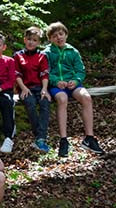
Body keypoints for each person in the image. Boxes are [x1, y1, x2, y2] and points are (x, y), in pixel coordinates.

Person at [43, 21, 104, 157]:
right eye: (54, 36)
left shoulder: (73, 51)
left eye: (61, 34)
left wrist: (76, 80)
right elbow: (44, 72)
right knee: (62, 99)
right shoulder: (47, 53)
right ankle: (63, 140)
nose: (59, 37)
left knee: (86, 97)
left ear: (66, 35)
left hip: (73, 85)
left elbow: (80, 70)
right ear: (50, 39)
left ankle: (89, 138)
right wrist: (56, 81)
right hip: (56, 86)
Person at [14, 26, 51, 152]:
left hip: (40, 87)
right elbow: (17, 74)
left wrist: (44, 89)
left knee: (45, 103)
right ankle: (40, 136)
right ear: (24, 40)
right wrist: (23, 88)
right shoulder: (18, 56)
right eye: (29, 39)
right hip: (25, 87)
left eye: (34, 40)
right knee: (30, 103)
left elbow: (44, 74)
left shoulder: (42, 56)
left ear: (38, 43)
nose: (31, 42)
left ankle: (40, 138)